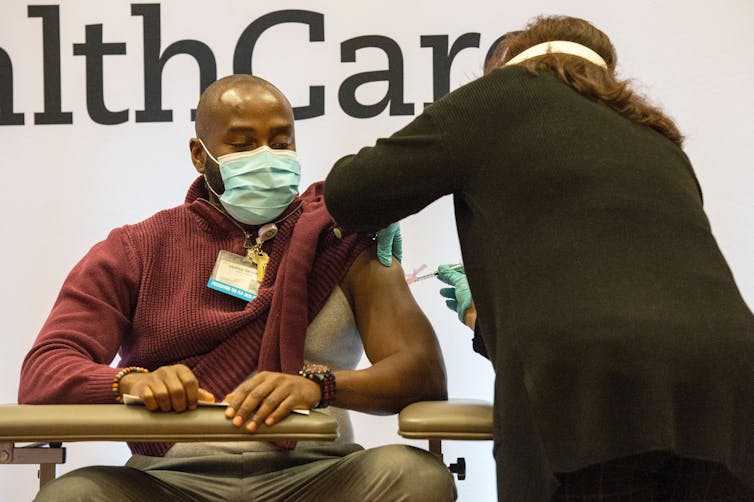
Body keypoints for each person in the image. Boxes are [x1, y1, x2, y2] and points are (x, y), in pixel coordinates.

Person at [323, 15, 754, 501]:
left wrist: (377, 211)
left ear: (509, 64)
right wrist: (478, 314)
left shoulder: (501, 94)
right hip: (731, 389)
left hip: (594, 394)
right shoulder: (656, 135)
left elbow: (351, 192)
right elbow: (622, 279)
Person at [18, 74, 456, 501]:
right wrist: (131, 383)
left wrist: (321, 385)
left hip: (321, 474)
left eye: (281, 143)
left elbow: (422, 373)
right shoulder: (134, 249)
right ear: (198, 153)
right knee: (71, 495)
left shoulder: (343, 237)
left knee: (416, 476)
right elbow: (45, 372)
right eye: (243, 144)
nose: (267, 157)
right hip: (167, 481)